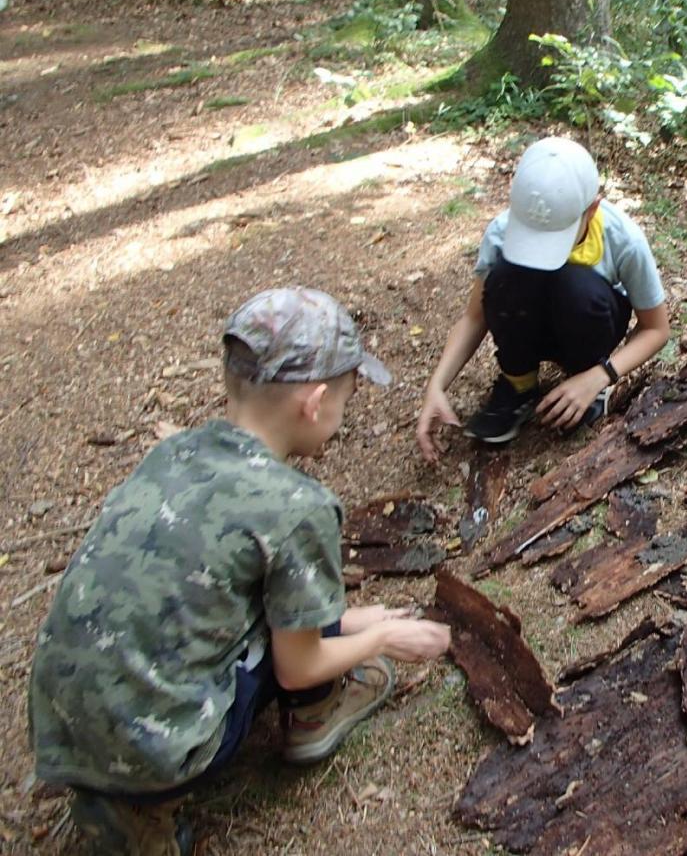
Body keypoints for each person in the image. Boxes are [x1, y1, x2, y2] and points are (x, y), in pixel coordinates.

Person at [28, 288, 453, 855]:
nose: (342, 418)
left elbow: (195, 585)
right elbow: (299, 667)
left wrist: (348, 618)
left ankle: (117, 798)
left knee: (265, 593)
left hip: (58, 730)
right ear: (315, 401)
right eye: (347, 401)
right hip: (163, 752)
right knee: (297, 607)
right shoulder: (297, 504)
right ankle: (296, 728)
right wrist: (382, 635)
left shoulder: (174, 454)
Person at [417, 137, 670, 458]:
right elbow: (474, 316)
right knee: (506, 274)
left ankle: (584, 389)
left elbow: (656, 329)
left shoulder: (623, 240)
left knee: (576, 284)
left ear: (592, 209)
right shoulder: (501, 231)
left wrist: (600, 375)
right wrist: (436, 386)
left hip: (589, 324)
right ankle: (519, 385)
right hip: (529, 322)